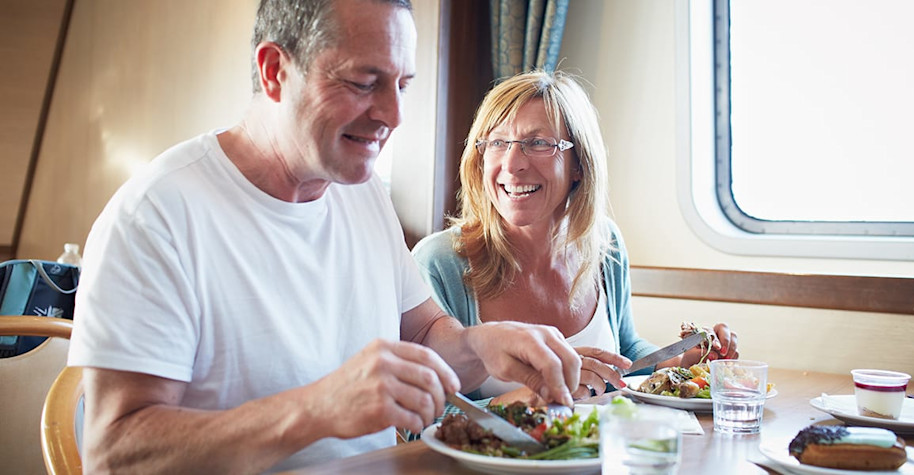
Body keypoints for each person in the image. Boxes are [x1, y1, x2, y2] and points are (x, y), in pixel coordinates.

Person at [67, 1, 583, 473]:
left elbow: (424, 337)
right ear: (275, 72)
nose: (394, 116)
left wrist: (480, 345)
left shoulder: (361, 195)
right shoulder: (157, 215)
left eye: (402, 84)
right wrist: (315, 410)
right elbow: (114, 454)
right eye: (364, 82)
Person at [412, 70, 739, 404]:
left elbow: (625, 351)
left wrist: (680, 363)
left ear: (579, 164)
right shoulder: (439, 263)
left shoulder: (604, 244)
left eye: (537, 143)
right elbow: (421, 423)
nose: (512, 165)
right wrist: (532, 398)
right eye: (497, 142)